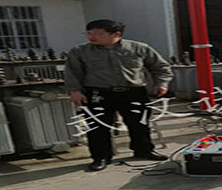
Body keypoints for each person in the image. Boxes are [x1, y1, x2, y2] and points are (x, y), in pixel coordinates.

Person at [65, 19, 174, 171]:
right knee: (97, 126)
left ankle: (143, 150)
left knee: (139, 124)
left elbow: (160, 67)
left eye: (97, 34)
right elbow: (72, 73)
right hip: (98, 93)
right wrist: (75, 91)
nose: (91, 37)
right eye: (88, 33)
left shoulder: (138, 48)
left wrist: (162, 83)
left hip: (133, 92)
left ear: (116, 34)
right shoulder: (80, 51)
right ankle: (101, 157)